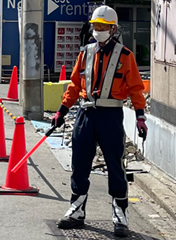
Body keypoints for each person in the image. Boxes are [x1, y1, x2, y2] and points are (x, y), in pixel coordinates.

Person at [52, 5, 147, 238]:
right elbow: (75, 85)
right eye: (95, 26)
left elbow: (136, 88)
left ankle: (120, 213)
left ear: (113, 29)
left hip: (110, 116)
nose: (98, 30)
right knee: (80, 163)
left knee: (115, 165)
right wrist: (62, 110)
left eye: (103, 27)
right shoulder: (86, 53)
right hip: (85, 114)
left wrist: (141, 116)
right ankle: (76, 210)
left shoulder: (126, 56)